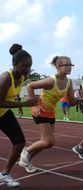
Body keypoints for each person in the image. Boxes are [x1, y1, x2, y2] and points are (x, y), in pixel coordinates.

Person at [19, 56, 83, 173]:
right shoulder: (51, 80)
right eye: (66, 65)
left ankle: (27, 160)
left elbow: (72, 102)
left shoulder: (69, 82)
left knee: (46, 143)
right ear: (58, 67)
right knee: (49, 141)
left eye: (71, 65)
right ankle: (26, 151)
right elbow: (30, 86)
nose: (69, 67)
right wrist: (36, 105)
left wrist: (79, 97)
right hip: (40, 110)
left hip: (50, 112)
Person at [0, 44, 39, 187]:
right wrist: (23, 104)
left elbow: (13, 94)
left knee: (19, 142)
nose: (28, 69)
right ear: (15, 64)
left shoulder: (22, 76)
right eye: (24, 66)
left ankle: (4, 174)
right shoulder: (6, 77)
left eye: (30, 66)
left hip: (3, 113)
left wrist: (18, 103)